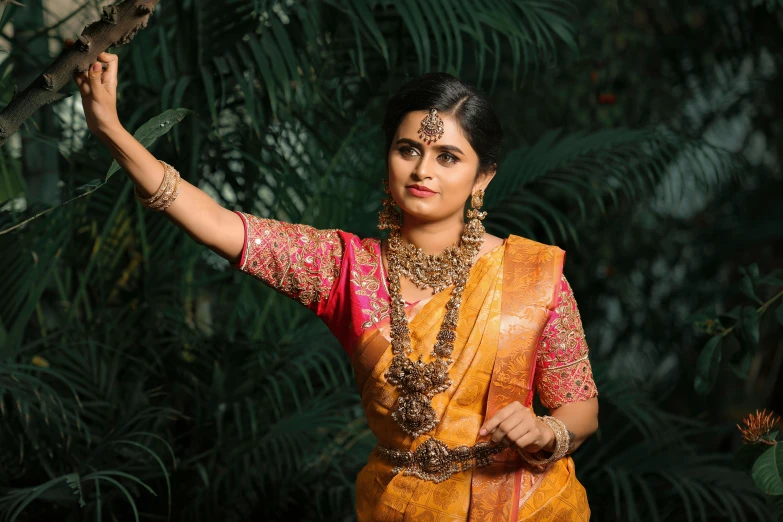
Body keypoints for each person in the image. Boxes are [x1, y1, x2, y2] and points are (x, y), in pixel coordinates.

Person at [67, 39, 599, 521]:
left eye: (448, 157)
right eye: (409, 149)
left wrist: (548, 430)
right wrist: (110, 129)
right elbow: (219, 225)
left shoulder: (531, 274)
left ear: (483, 177)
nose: (423, 171)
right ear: (388, 157)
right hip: (398, 507)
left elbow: (580, 405)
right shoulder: (344, 267)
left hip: (526, 506)